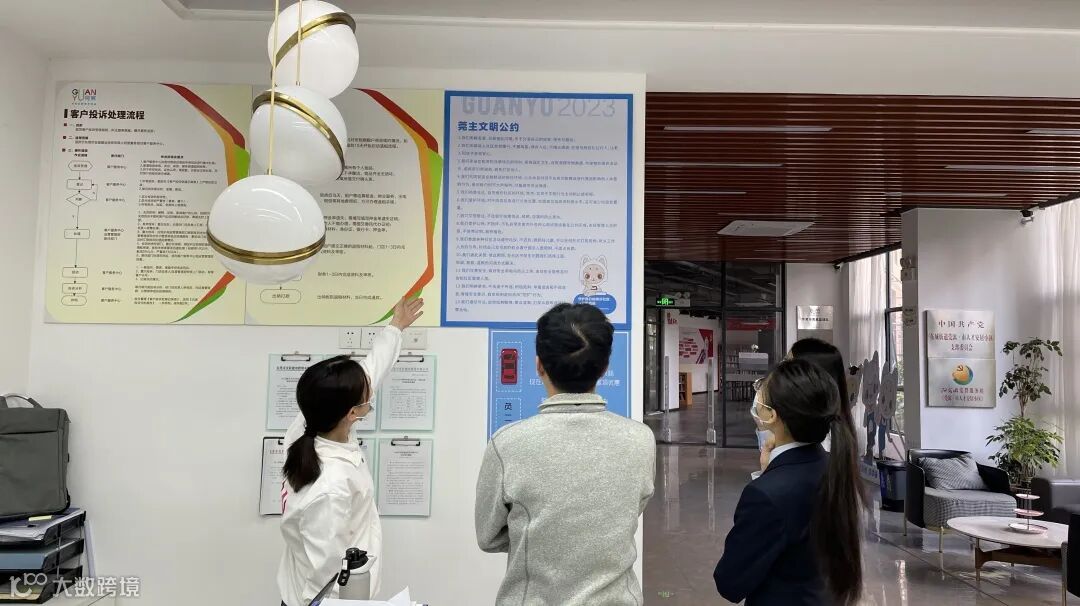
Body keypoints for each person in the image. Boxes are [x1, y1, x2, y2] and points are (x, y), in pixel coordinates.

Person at [475, 303, 656, 606]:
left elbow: (488, 536)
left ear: (539, 365)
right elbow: (629, 511)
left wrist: (541, 533)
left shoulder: (507, 444)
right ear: (604, 367)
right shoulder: (640, 439)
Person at [277, 297, 425, 606]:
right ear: (353, 413)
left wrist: (395, 327)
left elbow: (371, 370)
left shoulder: (307, 424)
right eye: (366, 398)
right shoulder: (332, 486)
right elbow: (328, 578)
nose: (370, 393)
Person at [714, 359, 865, 606]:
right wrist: (771, 472)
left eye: (760, 392)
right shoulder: (834, 466)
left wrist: (766, 479)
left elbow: (730, 583)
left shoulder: (764, 495)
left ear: (771, 415)